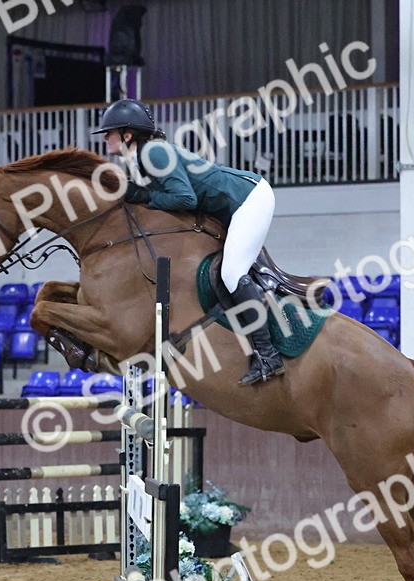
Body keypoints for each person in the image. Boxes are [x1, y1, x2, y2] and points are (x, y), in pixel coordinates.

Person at [92, 98, 283, 387]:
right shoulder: (142, 156)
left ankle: (269, 356)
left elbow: (185, 199)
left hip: (249, 200)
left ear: (127, 134)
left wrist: (144, 197)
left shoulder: (152, 153)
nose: (106, 138)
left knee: (232, 274)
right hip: (236, 202)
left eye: (110, 132)